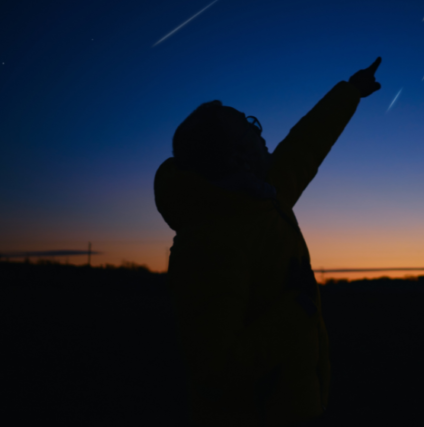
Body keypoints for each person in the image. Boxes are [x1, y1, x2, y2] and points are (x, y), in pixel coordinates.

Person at [154, 57, 382, 427]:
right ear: (236, 157)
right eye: (249, 128)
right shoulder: (210, 242)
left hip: (299, 404)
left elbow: (305, 145)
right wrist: (297, 311)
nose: (260, 132)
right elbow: (214, 369)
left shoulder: (260, 197)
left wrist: (350, 92)